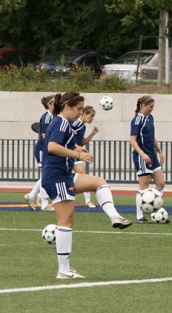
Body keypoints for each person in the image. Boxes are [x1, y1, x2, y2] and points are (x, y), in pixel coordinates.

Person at [42, 91, 132, 279]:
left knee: (99, 182)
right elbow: (51, 146)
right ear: (67, 106)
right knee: (66, 222)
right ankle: (63, 270)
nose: (80, 113)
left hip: (66, 175)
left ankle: (115, 217)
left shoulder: (64, 123)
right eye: (79, 109)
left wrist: (76, 148)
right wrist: (79, 155)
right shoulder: (60, 122)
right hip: (57, 177)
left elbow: (61, 143)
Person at [130, 95, 165, 224]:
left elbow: (152, 137)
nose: (152, 109)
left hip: (152, 155)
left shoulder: (150, 118)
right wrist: (143, 154)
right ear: (142, 106)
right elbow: (132, 140)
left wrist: (160, 151)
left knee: (160, 184)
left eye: (153, 107)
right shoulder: (136, 120)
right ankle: (140, 216)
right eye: (150, 107)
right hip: (142, 156)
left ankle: (156, 211)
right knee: (144, 186)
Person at [24, 94, 57, 211]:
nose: (57, 103)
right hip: (43, 149)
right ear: (49, 105)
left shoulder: (55, 117)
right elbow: (44, 136)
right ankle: (44, 204)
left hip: (47, 149)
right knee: (46, 176)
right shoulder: (47, 117)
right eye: (54, 102)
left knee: (46, 176)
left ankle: (31, 195)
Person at [71, 105, 99, 208]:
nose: (92, 118)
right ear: (84, 113)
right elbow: (66, 137)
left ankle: (87, 200)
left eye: (93, 116)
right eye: (91, 115)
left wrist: (92, 134)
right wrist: (78, 148)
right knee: (54, 175)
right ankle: (37, 194)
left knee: (82, 175)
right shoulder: (75, 123)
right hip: (68, 152)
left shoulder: (83, 126)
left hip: (75, 153)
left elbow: (81, 142)